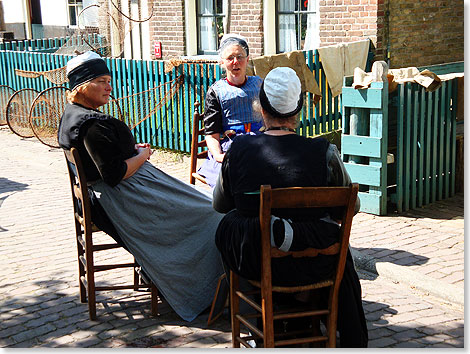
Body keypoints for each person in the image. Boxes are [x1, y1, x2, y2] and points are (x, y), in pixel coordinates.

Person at [57, 51, 225, 322]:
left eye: (108, 80)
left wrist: (132, 151)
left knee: (204, 202)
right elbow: (114, 174)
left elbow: (105, 157)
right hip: (122, 199)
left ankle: (171, 273)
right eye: (101, 81)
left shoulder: (75, 115)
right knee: (209, 213)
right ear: (81, 86)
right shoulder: (88, 125)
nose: (108, 86)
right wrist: (142, 156)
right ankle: (198, 289)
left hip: (124, 192)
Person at [212, 67, 368, 347]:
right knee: (329, 235)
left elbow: (219, 204)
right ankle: (304, 307)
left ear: (260, 106)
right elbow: (351, 206)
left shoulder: (238, 150)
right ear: (299, 109)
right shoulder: (324, 152)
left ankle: (269, 315)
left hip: (258, 265)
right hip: (315, 265)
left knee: (231, 225)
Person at [197, 33, 263, 188]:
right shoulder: (216, 91)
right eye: (230, 58)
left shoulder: (260, 85)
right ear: (222, 62)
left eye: (240, 56)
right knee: (234, 178)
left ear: (247, 59)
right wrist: (219, 156)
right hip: (231, 147)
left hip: (259, 144)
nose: (235, 62)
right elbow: (211, 132)